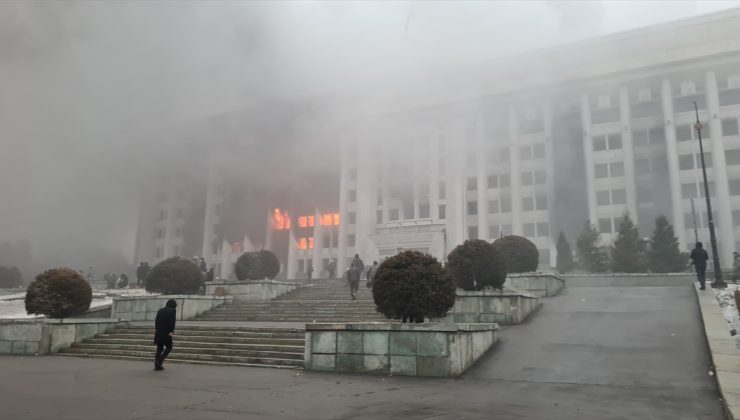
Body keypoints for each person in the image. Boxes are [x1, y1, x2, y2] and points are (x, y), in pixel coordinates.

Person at [153, 299, 177, 371]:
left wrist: (157, 329)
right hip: (166, 332)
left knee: (159, 348)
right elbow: (172, 321)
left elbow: (156, 321)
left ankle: (157, 363)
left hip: (159, 331)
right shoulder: (172, 310)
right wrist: (171, 331)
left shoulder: (160, 310)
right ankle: (159, 361)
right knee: (169, 347)